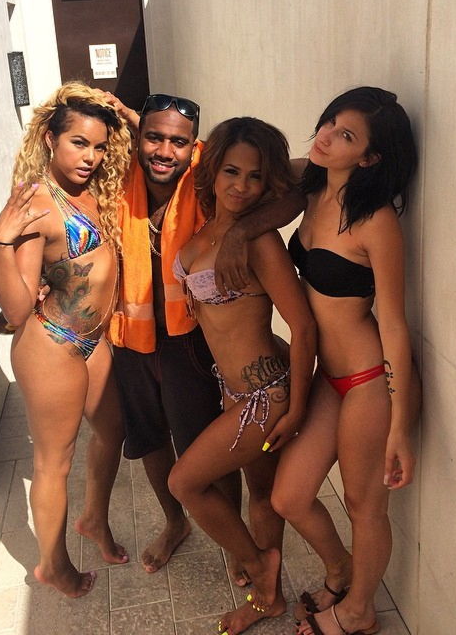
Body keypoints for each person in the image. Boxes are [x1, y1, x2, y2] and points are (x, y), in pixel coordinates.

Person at [105, 94, 307, 578]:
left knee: (204, 468)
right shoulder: (118, 180)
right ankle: (228, 553)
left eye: (178, 141)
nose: (164, 150)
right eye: (153, 137)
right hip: (140, 341)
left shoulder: (216, 199)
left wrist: (243, 231)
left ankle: (256, 561)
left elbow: (303, 183)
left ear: (194, 149)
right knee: (155, 442)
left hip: (218, 363)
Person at [267, 87, 421, 635]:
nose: (327, 135)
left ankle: (359, 612)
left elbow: (395, 324)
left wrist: (400, 425)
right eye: (331, 121)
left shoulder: (375, 222)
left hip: (368, 381)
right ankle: (342, 573)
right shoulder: (311, 185)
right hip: (327, 378)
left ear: (371, 157)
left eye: (347, 135)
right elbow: (247, 162)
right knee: (289, 497)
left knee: (363, 506)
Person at [167, 117, 316, 635]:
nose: (242, 186)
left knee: (185, 482)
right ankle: (266, 600)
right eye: (232, 171)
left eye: (256, 177)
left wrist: (297, 407)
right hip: (233, 390)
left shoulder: (261, 241)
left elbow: (302, 325)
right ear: (212, 171)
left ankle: (259, 564)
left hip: (266, 397)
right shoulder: (208, 232)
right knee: (260, 494)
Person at [0, 82, 132, 597]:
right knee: (55, 462)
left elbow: (166, 151)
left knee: (113, 431)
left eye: (99, 146)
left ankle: (93, 519)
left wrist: (127, 113)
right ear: (51, 139)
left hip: (93, 342)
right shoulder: (36, 203)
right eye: (79, 143)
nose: (91, 157)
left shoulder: (95, 189)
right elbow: (15, 308)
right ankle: (53, 564)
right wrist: (1, 243)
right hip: (51, 345)